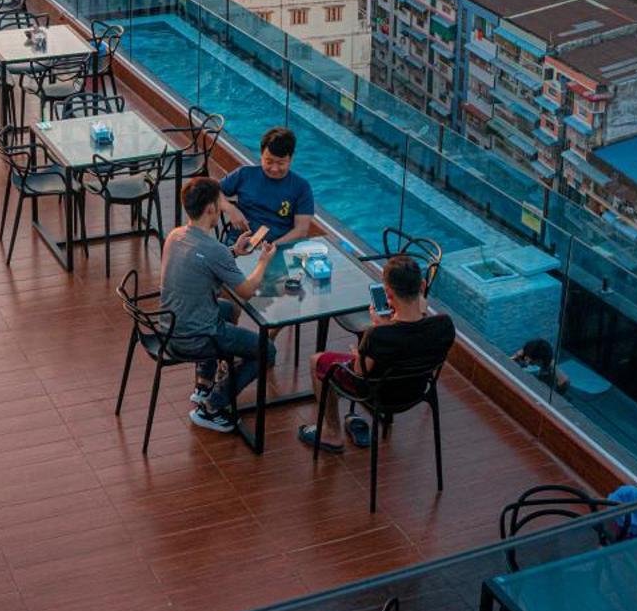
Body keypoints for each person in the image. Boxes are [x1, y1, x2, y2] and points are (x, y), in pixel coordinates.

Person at [298, 256, 455, 453]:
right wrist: (389, 324)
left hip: (377, 394)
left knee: (317, 361)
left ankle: (332, 433)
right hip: (416, 389)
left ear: (388, 292)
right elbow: (411, 336)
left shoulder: (379, 335)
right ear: (422, 286)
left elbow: (359, 371)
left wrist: (364, 344)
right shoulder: (444, 326)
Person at [159, 177, 276, 434]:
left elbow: (205, 259)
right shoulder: (214, 251)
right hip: (196, 338)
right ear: (211, 209)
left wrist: (233, 251)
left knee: (227, 309)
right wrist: (263, 262)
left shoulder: (175, 235)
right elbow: (247, 290)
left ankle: (204, 383)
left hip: (168, 327)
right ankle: (212, 405)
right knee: (267, 350)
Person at [219, 127, 316, 245]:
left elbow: (301, 230)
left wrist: (273, 246)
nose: (274, 169)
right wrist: (230, 209)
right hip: (239, 240)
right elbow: (212, 190)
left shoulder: (301, 187)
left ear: (290, 159)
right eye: (269, 162)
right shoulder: (244, 174)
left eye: (281, 163)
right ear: (261, 155)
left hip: (278, 246)